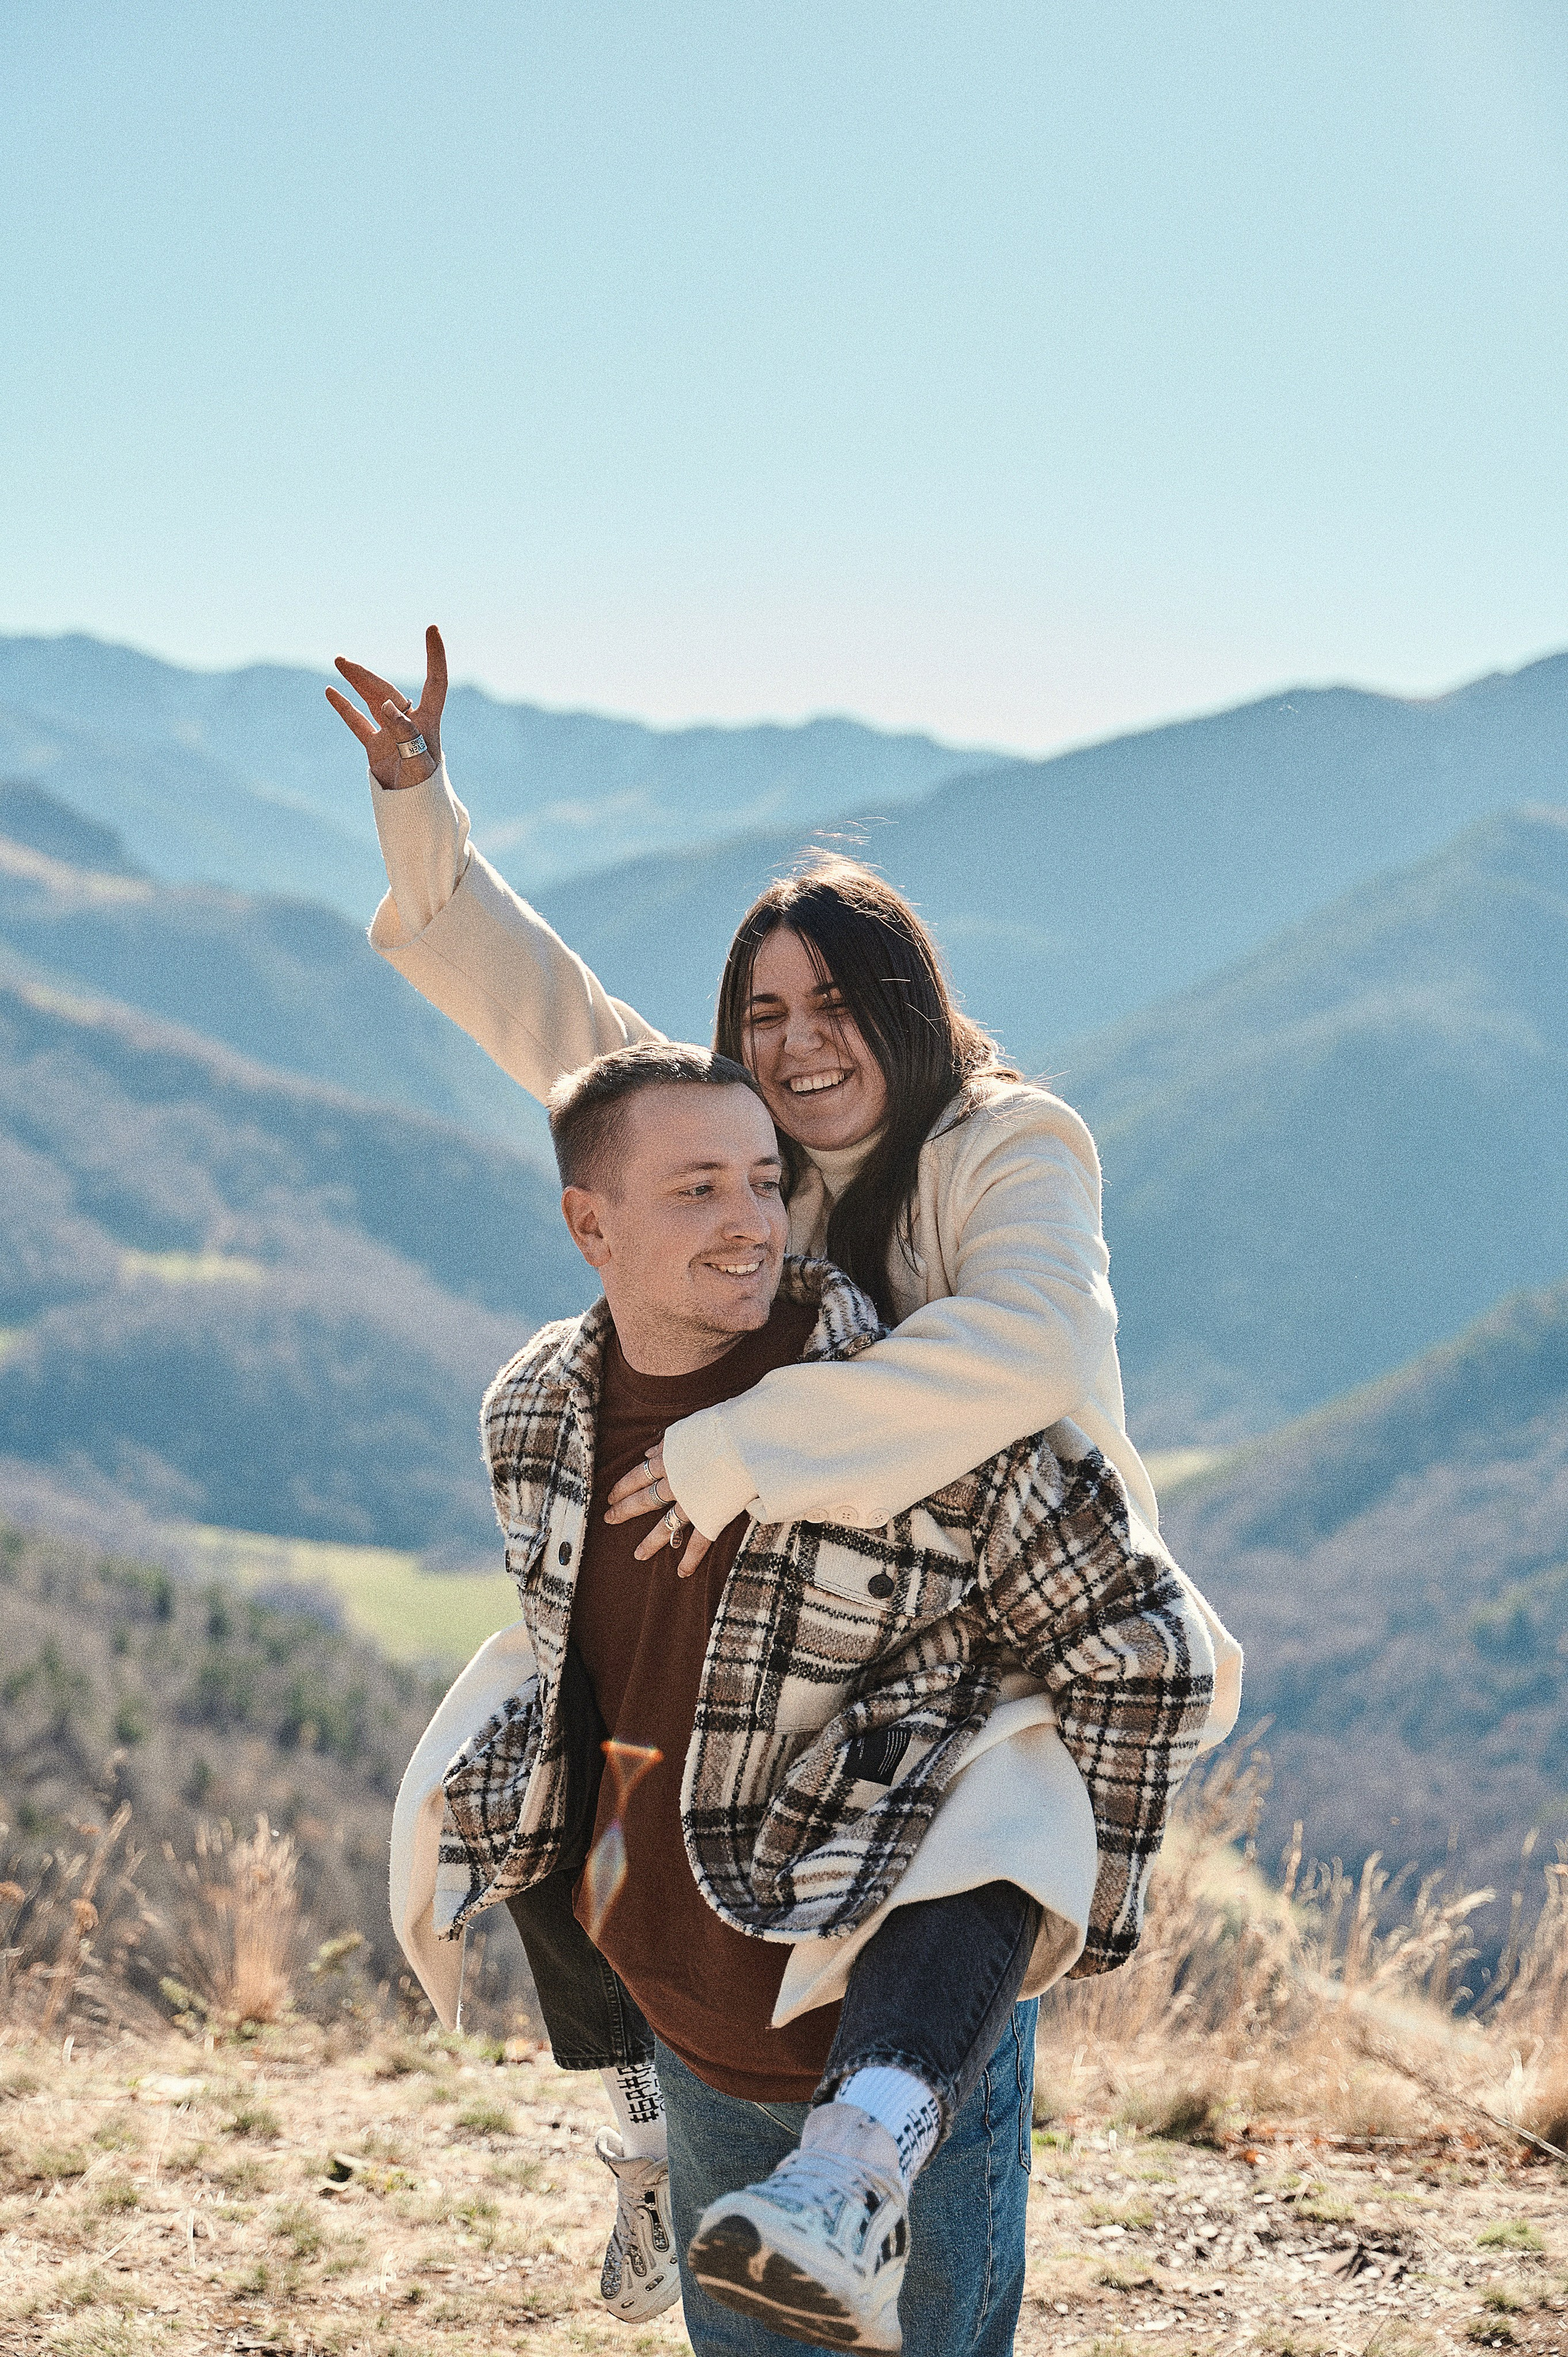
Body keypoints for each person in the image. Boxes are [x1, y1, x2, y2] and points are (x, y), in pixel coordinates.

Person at [392, 1041, 1226, 2355]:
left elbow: (1146, 1653)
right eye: (697, 1189)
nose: (747, 1222)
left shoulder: (910, 1415)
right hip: (681, 2032)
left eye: (765, 1180)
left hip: (887, 2042)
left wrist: (1070, 1903)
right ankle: (638, 2144)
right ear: (587, 1225)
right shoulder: (530, 1412)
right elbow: (595, 1685)